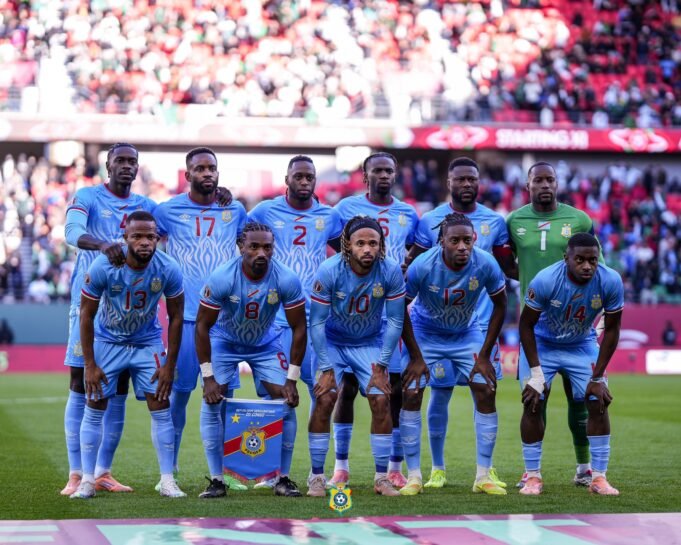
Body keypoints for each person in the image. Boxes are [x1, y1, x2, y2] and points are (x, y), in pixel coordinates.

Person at [403, 157, 512, 489]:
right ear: (442, 241)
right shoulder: (422, 265)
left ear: (475, 239)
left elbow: (501, 303)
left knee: (485, 388)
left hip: (467, 332)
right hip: (426, 332)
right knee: (414, 392)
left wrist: (485, 354)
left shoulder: (486, 262)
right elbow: (400, 306)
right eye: (455, 241)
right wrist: (416, 356)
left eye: (468, 241)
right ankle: (418, 475)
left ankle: (483, 475)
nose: (463, 247)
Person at [61, 143, 156, 496]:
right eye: (121, 161)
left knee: (117, 386)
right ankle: (76, 473)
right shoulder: (88, 196)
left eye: (133, 161)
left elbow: (178, 221)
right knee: (80, 381)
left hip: (129, 309)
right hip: (89, 301)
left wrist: (218, 197)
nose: (127, 166)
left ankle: (102, 471)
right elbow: (71, 232)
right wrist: (103, 244)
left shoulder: (146, 205)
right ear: (108, 165)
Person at [70, 211, 185, 499]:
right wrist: (89, 364)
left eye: (150, 237)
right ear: (125, 238)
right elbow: (86, 315)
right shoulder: (103, 265)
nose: (145, 242)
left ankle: (167, 480)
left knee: (161, 405)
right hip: (108, 341)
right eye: (137, 236)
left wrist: (169, 364)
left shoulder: (168, 267)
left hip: (147, 343)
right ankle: (87, 480)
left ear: (158, 238)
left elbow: (176, 317)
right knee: (95, 405)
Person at [154, 147, 247, 491]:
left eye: (212, 168)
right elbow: (139, 235)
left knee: (224, 400)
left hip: (224, 323)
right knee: (177, 397)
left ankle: (226, 472)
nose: (207, 173)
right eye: (200, 168)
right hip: (186, 319)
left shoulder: (234, 210)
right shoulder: (167, 210)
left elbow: (252, 244)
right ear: (188, 174)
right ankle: (169, 472)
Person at [247, 155, 342, 490]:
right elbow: (244, 246)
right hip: (274, 321)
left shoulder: (329, 217)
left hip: (316, 321)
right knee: (276, 397)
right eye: (298, 176)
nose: (304, 182)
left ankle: (319, 472)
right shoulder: (264, 212)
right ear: (286, 179)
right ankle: (272, 472)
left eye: (309, 177)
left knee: (323, 395)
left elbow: (346, 254)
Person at [194, 222, 307, 498]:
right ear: (240, 247)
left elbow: (299, 327)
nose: (261, 253)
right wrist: (208, 377)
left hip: (265, 344)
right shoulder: (223, 277)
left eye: (267, 247)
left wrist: (292, 380)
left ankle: (282, 478)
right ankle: (217, 480)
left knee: (285, 400)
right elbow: (202, 326)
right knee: (212, 400)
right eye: (254, 246)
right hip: (224, 342)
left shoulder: (286, 278)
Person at [507, 161, 600, 489]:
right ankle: (531, 472)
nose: (545, 185)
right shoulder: (514, 220)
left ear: (557, 184)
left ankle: (584, 467)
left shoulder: (579, 219)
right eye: (538, 180)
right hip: (534, 327)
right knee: (535, 399)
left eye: (550, 180)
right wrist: (530, 281)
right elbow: (506, 261)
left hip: (575, 326)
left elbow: (596, 267)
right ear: (527, 185)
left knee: (582, 402)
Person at [331, 152, 419, 489]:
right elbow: (339, 248)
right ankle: (341, 466)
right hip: (354, 309)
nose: (383, 175)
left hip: (389, 309)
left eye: (389, 171)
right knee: (347, 389)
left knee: (391, 389)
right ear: (365, 175)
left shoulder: (408, 213)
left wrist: (405, 266)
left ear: (396, 175)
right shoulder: (345, 209)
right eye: (377, 170)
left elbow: (417, 249)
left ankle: (393, 467)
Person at [307, 216, 405, 497]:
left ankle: (381, 478)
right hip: (333, 342)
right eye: (360, 243)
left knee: (381, 399)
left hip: (368, 342)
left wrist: (382, 365)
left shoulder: (390, 271)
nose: (367, 249)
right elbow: (316, 323)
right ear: (347, 245)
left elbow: (395, 321)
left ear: (381, 245)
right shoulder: (329, 270)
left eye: (373, 243)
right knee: (325, 399)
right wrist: (326, 367)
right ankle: (316, 477)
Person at [518, 233, 623, 496]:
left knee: (598, 400)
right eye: (580, 260)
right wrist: (536, 374)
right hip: (543, 343)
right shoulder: (546, 280)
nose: (587, 266)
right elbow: (525, 325)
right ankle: (533, 476)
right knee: (533, 400)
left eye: (593, 260)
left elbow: (612, 330)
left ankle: (598, 478)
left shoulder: (611, 280)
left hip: (581, 344)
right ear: (566, 258)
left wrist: (597, 378)